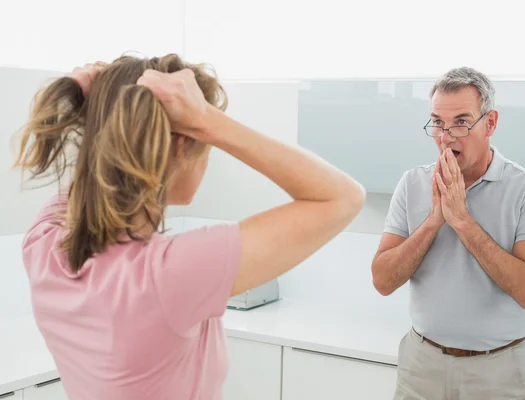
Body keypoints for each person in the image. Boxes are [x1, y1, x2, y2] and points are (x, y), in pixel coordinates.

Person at [13, 54, 365, 400]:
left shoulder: (44, 244)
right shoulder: (166, 276)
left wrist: (99, 111)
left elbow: (91, 179)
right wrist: (207, 120)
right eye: (206, 142)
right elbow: (343, 197)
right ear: (182, 144)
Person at [371, 67, 525, 400]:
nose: (446, 135)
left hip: (495, 372)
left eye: (461, 121)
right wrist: (433, 221)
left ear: (491, 123)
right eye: (438, 123)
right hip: (421, 364)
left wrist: (462, 221)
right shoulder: (412, 183)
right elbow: (383, 281)